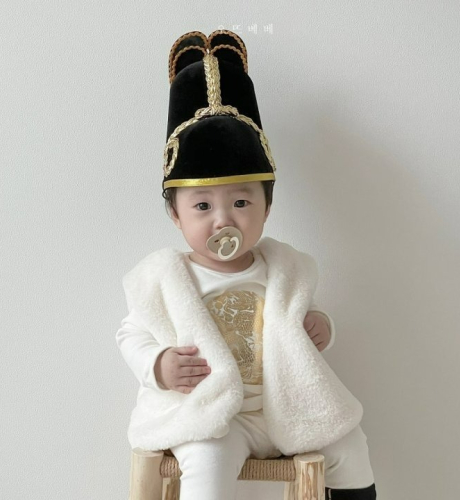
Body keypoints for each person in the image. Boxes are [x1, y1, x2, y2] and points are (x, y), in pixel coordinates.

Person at [116, 29, 377, 499]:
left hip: (286, 407)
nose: (223, 220)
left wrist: (323, 326)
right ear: (175, 215)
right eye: (202, 206)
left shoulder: (284, 269)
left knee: (347, 442)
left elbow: (302, 318)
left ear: (267, 208)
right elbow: (130, 334)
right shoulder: (168, 280)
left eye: (241, 202)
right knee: (207, 460)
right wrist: (158, 364)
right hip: (212, 415)